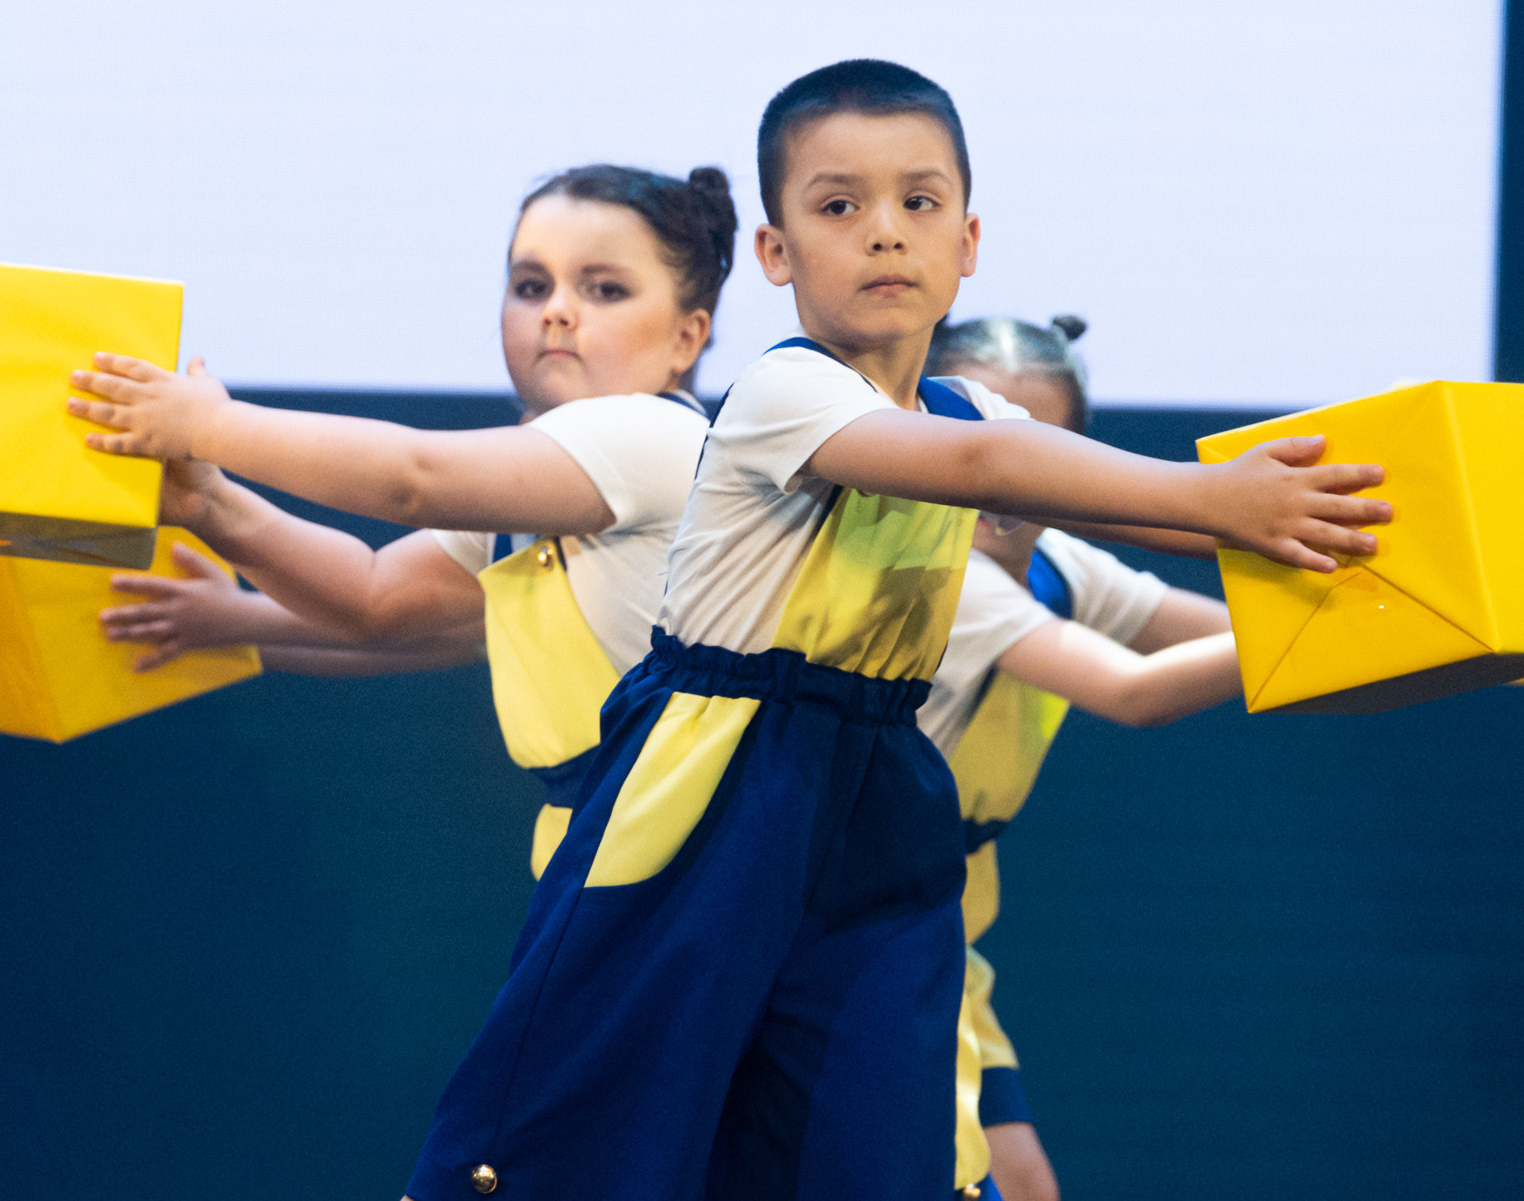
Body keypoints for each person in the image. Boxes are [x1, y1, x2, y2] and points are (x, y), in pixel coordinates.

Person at [71, 59, 1390, 1200]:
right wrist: (216, 456)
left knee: (862, 1148)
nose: (883, 233)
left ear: (970, 240)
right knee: (580, 1149)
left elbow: (1043, 479)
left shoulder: (691, 429)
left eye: (917, 205)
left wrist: (1345, 546)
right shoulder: (781, 398)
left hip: (863, 802)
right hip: (709, 804)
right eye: (838, 207)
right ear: (776, 255)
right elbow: (392, 563)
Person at [78, 163, 735, 878]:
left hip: (694, 859)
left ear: (686, 337)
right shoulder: (535, 490)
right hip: (607, 857)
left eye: (604, 288)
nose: (557, 310)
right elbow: (374, 598)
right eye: (531, 285)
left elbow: (411, 479)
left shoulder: (655, 439)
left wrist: (210, 424)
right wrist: (209, 503)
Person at [923, 314, 1239, 1201]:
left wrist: (1412, 624)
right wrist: (1321, 638)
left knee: (1023, 1185)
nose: (1004, 478)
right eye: (970, 443)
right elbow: (1136, 690)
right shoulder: (938, 574)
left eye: (1040, 449)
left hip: (936, 938)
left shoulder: (1062, 561)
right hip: (838, 934)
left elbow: (1230, 633)